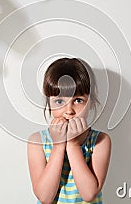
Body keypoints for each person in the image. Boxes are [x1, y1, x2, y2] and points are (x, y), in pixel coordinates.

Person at [27, 58, 111, 204]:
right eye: (59, 102)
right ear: (49, 104)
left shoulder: (100, 141)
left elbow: (89, 194)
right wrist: (59, 146)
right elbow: (44, 197)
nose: (69, 111)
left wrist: (72, 145)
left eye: (78, 100)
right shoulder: (37, 142)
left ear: (91, 102)